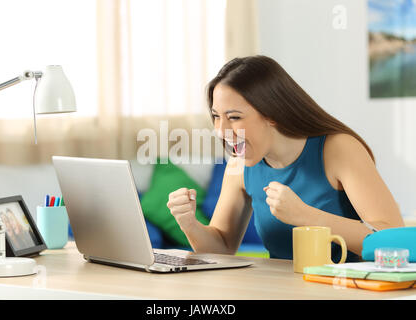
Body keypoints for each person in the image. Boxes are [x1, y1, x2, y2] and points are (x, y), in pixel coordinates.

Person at [166, 55, 404, 262]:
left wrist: (306, 216)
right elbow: (221, 249)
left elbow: (394, 243)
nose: (220, 130)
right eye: (216, 116)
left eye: (235, 117)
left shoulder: (338, 148)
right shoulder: (239, 165)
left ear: (273, 114)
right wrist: (190, 223)